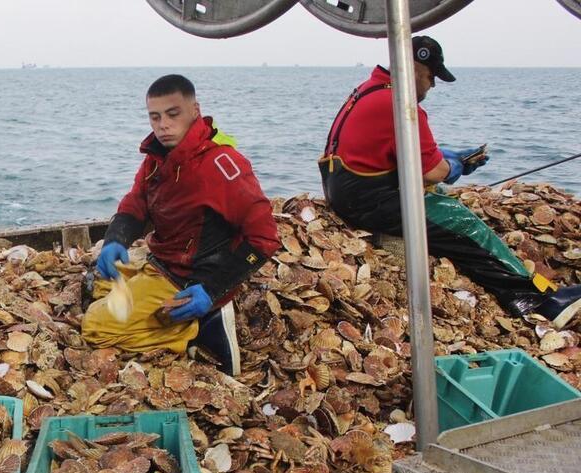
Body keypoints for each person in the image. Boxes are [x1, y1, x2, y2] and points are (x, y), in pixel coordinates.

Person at [318, 35, 581, 327]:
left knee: (442, 204)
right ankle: (537, 299)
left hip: (346, 193)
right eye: (431, 77)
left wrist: (448, 156)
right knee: (463, 224)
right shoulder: (400, 104)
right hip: (369, 201)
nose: (432, 85)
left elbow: (398, 150)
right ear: (416, 68)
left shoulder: (370, 90)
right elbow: (434, 172)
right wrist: (453, 166)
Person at [82, 74, 280, 375]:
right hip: (162, 261)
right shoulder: (158, 157)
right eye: (155, 117)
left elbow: (264, 237)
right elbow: (137, 201)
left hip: (192, 278)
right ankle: (174, 314)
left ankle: (199, 326)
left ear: (195, 110)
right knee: (94, 284)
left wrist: (212, 290)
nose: (163, 125)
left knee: (95, 326)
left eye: (173, 114)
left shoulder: (222, 165)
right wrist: (115, 239)